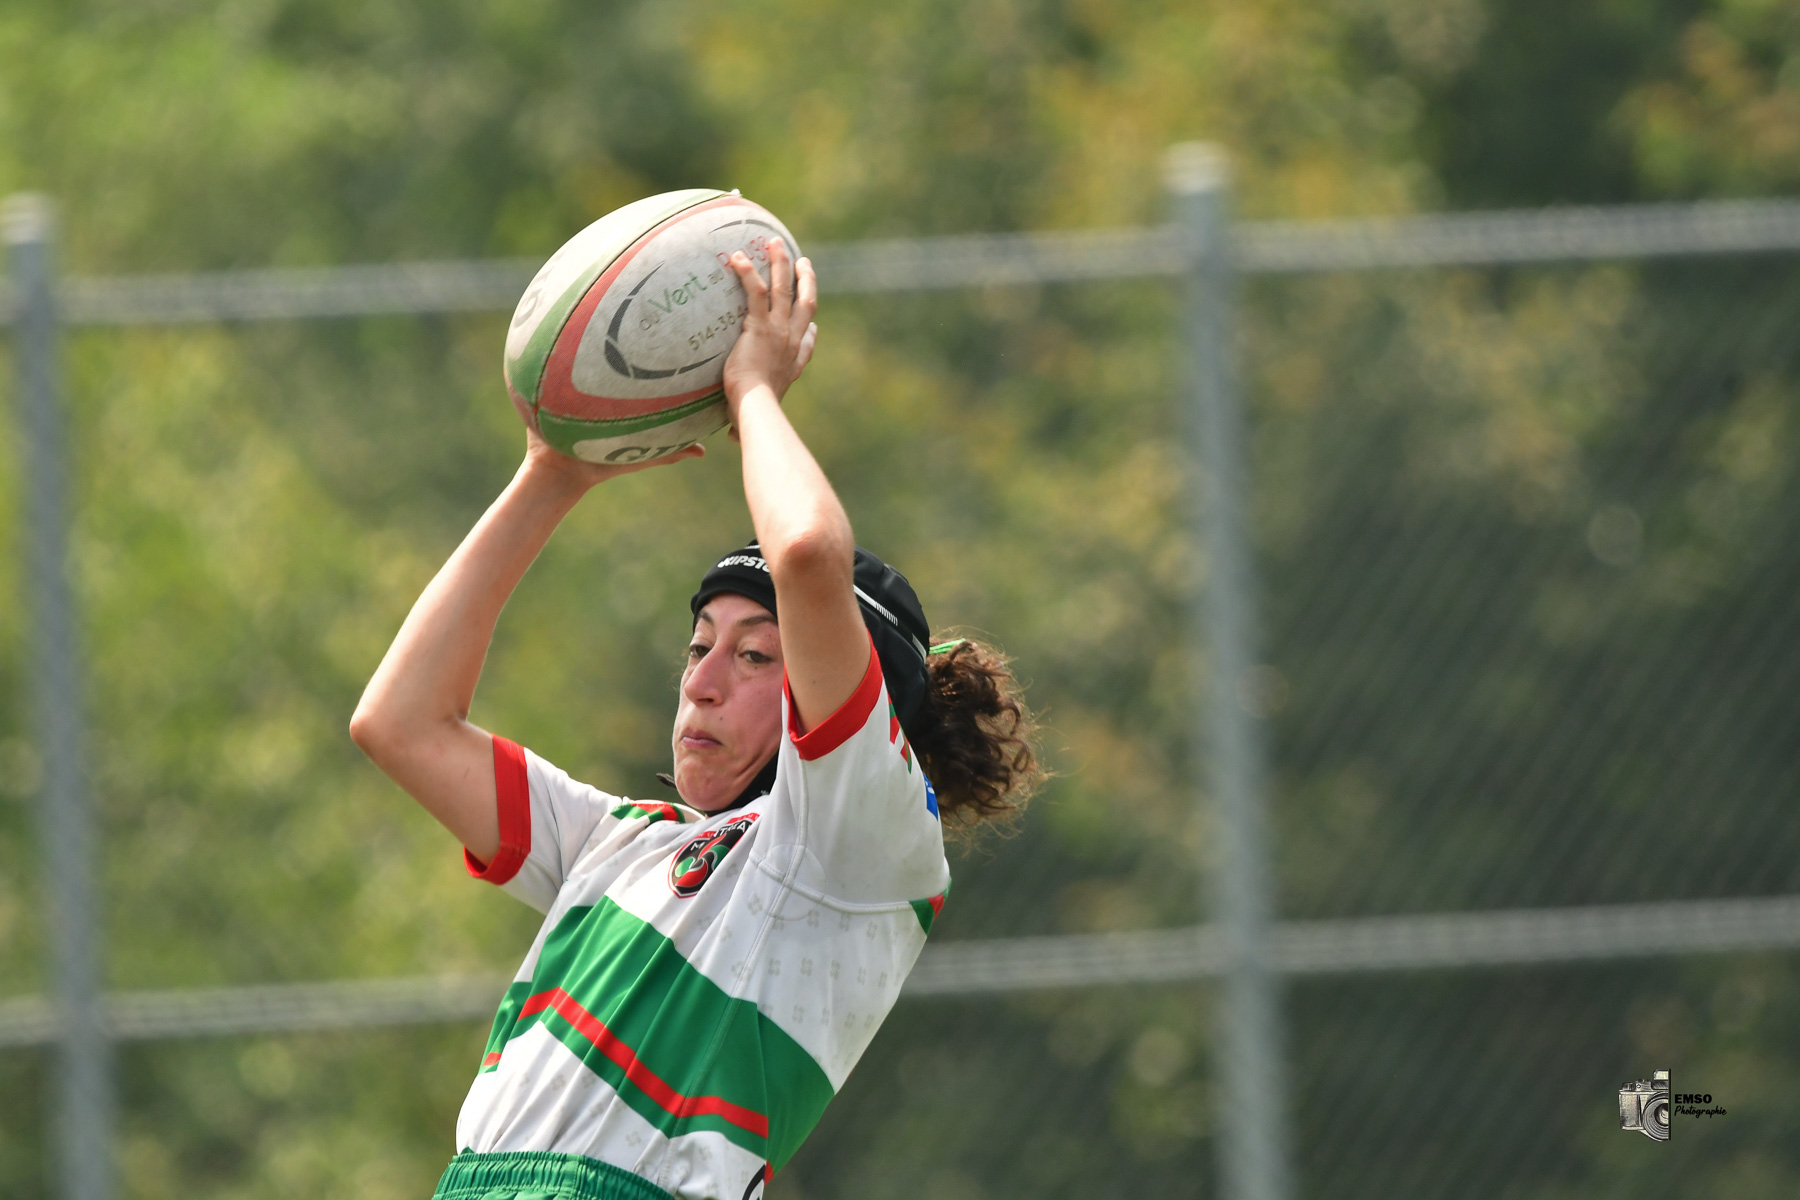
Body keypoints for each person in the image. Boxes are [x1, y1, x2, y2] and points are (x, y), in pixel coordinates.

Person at [350, 237, 1043, 1200]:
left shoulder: (861, 840)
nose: (705, 680)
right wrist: (551, 474)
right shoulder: (618, 844)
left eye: (757, 654)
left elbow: (804, 553)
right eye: (699, 644)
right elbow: (400, 724)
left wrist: (753, 388)